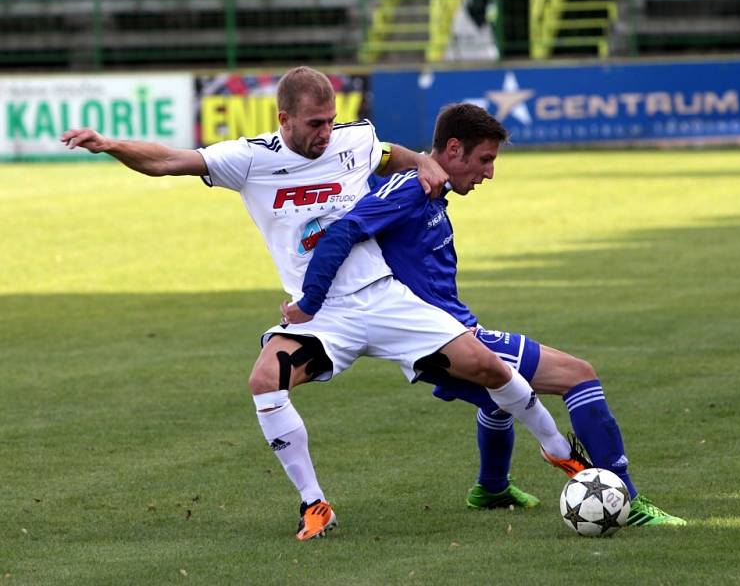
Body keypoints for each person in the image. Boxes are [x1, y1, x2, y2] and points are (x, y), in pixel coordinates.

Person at [61, 67, 575, 541]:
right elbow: (170, 161)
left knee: (485, 365)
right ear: (283, 118)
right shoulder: (250, 159)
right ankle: (315, 504)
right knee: (265, 379)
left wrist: (421, 161)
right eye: (314, 123)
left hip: (382, 295)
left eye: (330, 121)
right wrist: (109, 145)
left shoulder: (354, 139)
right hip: (322, 316)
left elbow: (387, 152)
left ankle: (559, 453)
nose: (325, 132)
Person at [283, 102, 687, 528]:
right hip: (441, 338)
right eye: (485, 160)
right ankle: (630, 499)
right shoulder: (409, 190)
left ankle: (491, 487)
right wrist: (310, 303)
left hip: (446, 333)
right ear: (453, 150)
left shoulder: (427, 189)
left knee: (499, 399)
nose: (489, 173)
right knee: (578, 375)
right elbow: (342, 231)